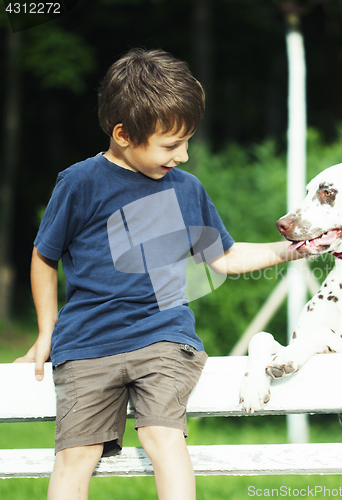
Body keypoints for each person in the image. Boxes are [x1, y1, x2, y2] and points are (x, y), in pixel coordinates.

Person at [14, 48, 301, 500]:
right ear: (124, 134)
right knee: (76, 455)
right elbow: (43, 257)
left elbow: (222, 260)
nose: (183, 156)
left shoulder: (187, 190)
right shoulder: (79, 183)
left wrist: (292, 250)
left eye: (187, 142)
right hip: (87, 344)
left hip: (163, 338)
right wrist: (47, 331)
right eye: (171, 145)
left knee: (162, 437)